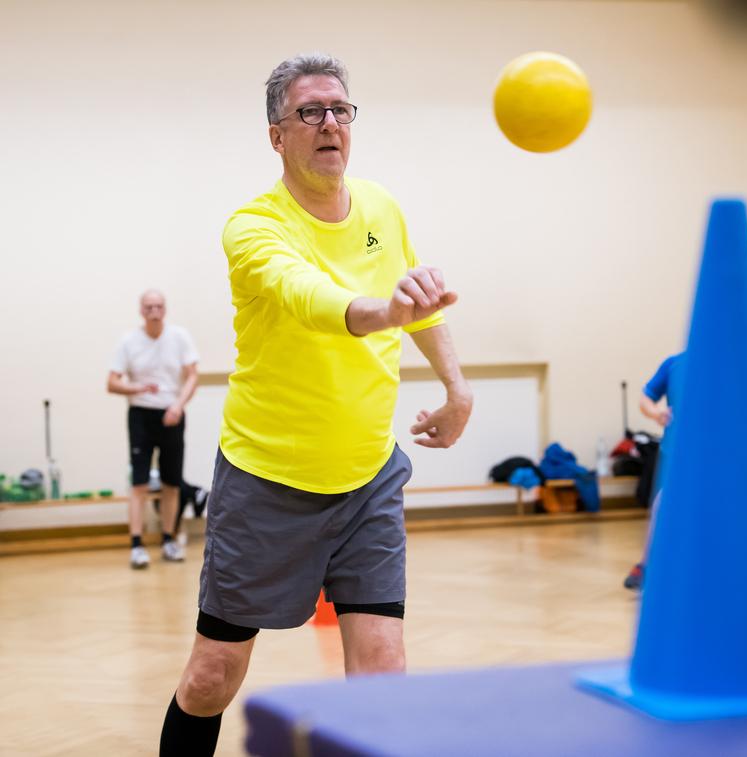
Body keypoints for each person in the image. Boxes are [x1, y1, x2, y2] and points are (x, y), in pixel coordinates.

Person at [159, 53, 473, 756]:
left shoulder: (382, 208)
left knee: (383, 673)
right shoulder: (252, 228)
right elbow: (312, 299)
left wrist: (457, 386)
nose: (330, 123)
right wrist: (379, 309)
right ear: (278, 135)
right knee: (213, 674)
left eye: (340, 109)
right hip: (267, 482)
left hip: (367, 478)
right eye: (310, 112)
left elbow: (418, 307)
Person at [108, 290, 199, 569]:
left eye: (158, 306)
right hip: (141, 416)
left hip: (172, 414)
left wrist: (178, 406)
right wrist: (136, 387)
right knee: (139, 484)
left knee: (172, 483)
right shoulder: (129, 342)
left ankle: (168, 540)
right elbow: (112, 382)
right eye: (149, 307)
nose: (154, 311)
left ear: (165, 309)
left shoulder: (179, 337)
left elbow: (192, 375)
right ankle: (136, 545)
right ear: (141, 310)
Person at [624, 352, 685, 590]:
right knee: (661, 507)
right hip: (674, 453)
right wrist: (656, 412)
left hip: (713, 454)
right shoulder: (674, 365)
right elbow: (645, 399)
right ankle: (647, 566)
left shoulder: (725, 363)